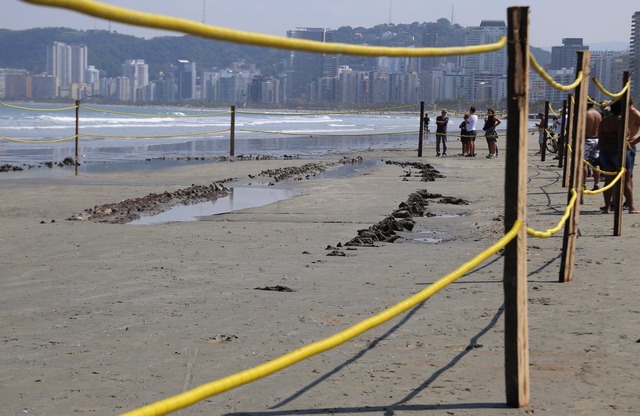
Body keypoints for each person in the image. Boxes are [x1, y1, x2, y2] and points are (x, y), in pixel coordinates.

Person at [597, 99, 637, 214]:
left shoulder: (604, 121)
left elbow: (600, 136)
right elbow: (622, 138)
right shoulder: (621, 121)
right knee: (625, 181)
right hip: (618, 152)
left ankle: (607, 206)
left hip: (605, 152)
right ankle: (631, 207)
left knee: (608, 181)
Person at [584, 102, 603, 190]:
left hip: (587, 139)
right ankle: (596, 183)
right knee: (595, 163)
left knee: (584, 163)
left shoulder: (585, 114)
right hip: (596, 139)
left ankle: (583, 184)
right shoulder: (598, 114)